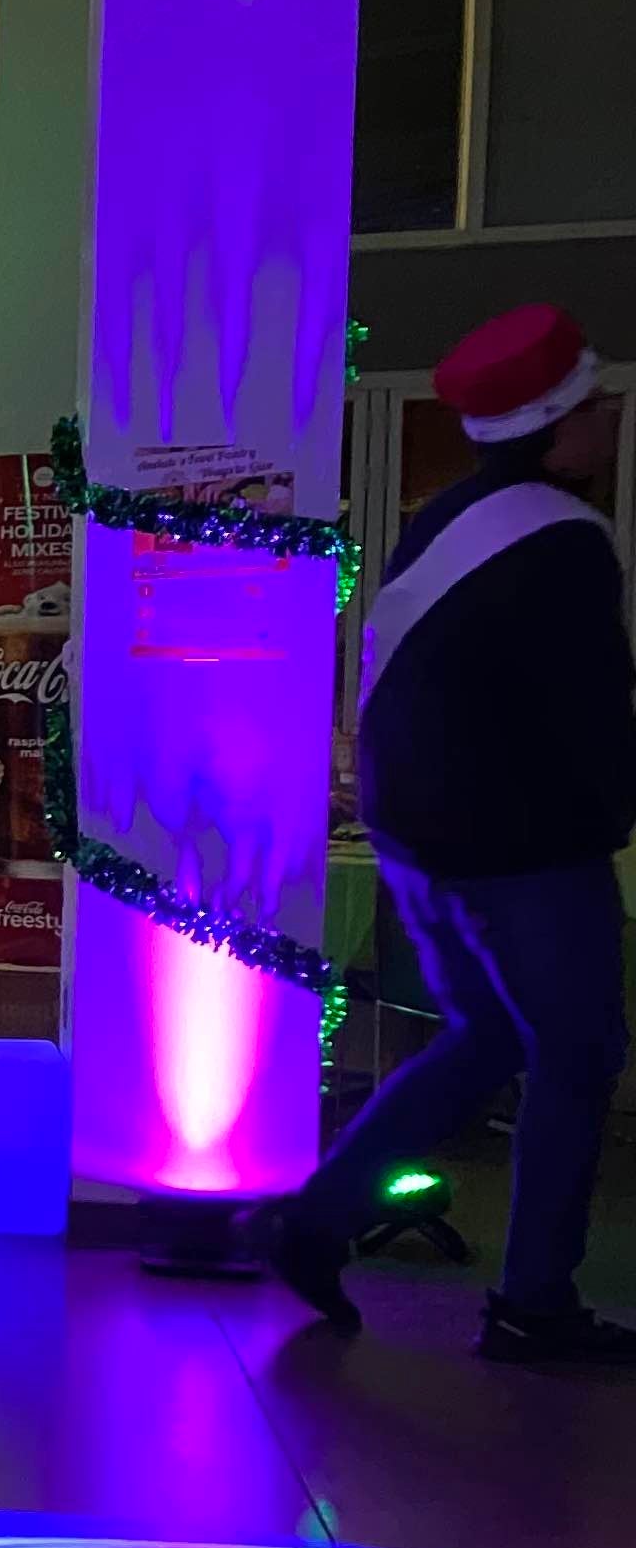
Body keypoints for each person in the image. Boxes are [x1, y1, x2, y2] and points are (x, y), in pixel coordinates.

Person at [248, 308, 636, 1359]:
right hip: (525, 846)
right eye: (597, 409)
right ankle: (534, 1304)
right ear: (557, 431)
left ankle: (312, 1217)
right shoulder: (563, 538)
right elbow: (587, 711)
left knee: (489, 1033)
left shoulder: (446, 519)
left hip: (417, 833)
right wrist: (612, 812)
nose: (608, 427)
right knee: (581, 1049)